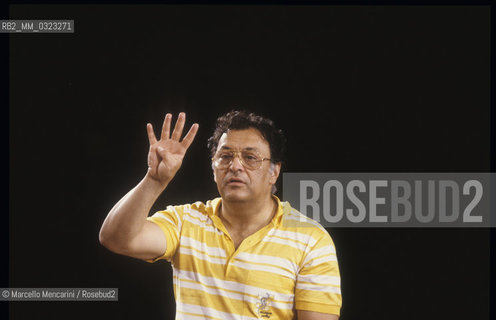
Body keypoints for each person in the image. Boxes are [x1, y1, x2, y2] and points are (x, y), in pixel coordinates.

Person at [99, 110, 342, 319]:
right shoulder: (186, 222)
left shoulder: (311, 240)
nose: (235, 166)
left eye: (250, 157)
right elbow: (116, 239)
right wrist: (154, 180)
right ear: (213, 168)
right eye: (225, 156)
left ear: (274, 172)